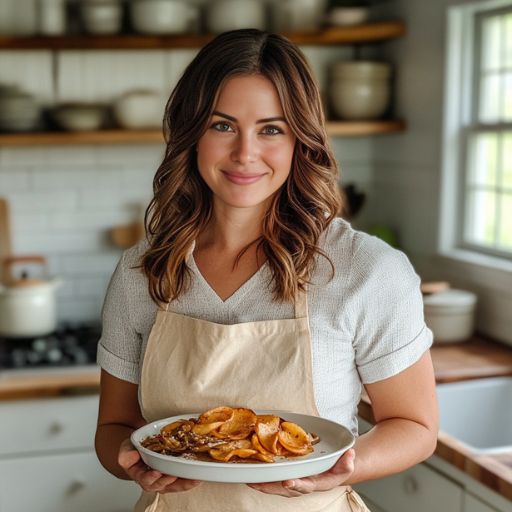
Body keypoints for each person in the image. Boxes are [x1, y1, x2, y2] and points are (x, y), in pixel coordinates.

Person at [95, 28, 438, 512]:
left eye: (271, 129)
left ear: (302, 139)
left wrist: (340, 469)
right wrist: (129, 460)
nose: (245, 154)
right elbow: (113, 428)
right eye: (222, 125)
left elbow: (416, 427)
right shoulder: (141, 270)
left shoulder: (368, 270)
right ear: (191, 134)